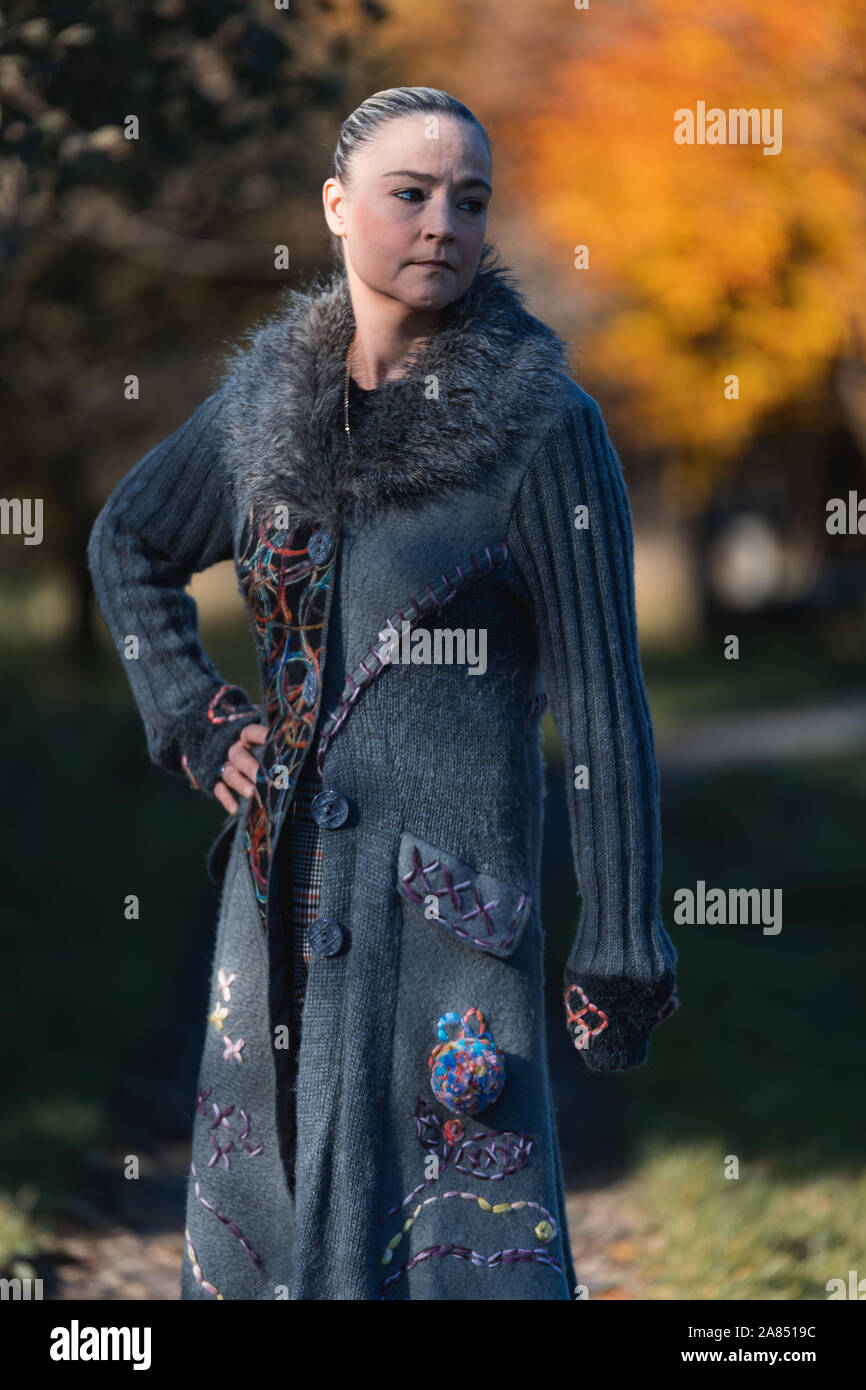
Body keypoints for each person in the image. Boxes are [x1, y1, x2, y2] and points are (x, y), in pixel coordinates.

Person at [87, 85, 680, 1301]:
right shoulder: (260, 410)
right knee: (277, 1218)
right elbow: (127, 544)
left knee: (458, 1242)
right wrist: (201, 725)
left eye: (470, 200)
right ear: (336, 206)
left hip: (450, 924)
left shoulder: (541, 428)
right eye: (410, 194)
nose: (441, 223)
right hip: (278, 903)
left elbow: (603, 700)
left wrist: (620, 937)